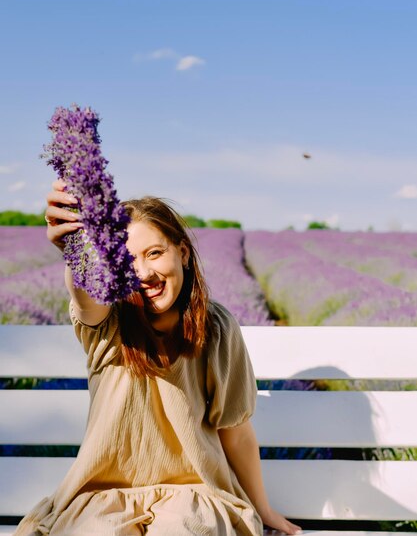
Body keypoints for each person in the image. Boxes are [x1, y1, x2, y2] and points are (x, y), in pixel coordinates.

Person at [14, 179, 302, 536]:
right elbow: (85, 296)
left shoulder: (215, 327)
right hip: (105, 497)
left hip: (194, 496)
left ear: (182, 252)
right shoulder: (109, 321)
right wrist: (76, 252)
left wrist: (262, 509)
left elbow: (235, 430)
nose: (144, 273)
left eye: (154, 253)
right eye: (127, 261)